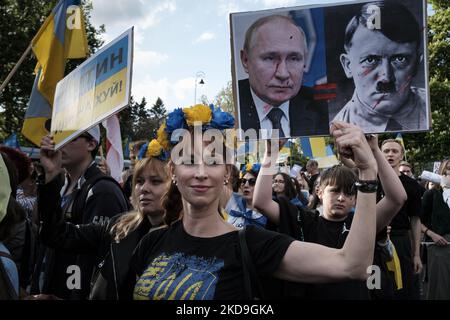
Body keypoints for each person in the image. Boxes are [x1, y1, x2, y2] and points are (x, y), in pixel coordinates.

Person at [128, 104, 378, 300]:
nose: (201, 172)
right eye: (189, 161)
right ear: (172, 170)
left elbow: (353, 265)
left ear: (226, 172)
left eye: (213, 161)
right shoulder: (151, 242)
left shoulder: (251, 244)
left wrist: (367, 172)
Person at [253, 125, 407, 299]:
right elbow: (261, 202)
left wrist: (374, 150)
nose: (341, 198)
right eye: (334, 191)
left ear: (356, 198)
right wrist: (271, 153)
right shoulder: (303, 220)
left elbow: (397, 198)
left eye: (348, 193)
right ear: (319, 192)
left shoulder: (363, 224)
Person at [34, 140, 169, 300]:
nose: (144, 188)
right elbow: (57, 234)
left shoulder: (186, 235)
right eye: (139, 181)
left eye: (156, 181)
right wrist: (50, 177)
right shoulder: (119, 227)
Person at [33, 126, 129, 299]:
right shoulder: (62, 185)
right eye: (57, 136)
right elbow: (48, 235)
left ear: (91, 144)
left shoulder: (103, 191)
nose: (59, 143)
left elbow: (93, 258)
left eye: (69, 137)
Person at [333, 1, 427, 133]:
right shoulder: (337, 129)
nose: (386, 78)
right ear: (348, 66)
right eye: (370, 60)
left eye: (400, 59)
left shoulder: (435, 109)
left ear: (417, 63)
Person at [238, 14, 329, 138]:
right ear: (245, 60)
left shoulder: (324, 109)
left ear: (305, 61)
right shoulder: (227, 111)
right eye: (270, 58)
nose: (283, 74)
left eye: (294, 58)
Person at [380, 138, 423, 299]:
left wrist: (416, 254)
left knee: (403, 288)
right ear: (380, 154)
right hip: (374, 244)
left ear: (401, 155)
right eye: (386, 151)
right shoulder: (370, 181)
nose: (390, 154)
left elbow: (415, 220)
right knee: (376, 284)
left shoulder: (412, 185)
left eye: (394, 151)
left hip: (400, 243)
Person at [421, 159, 450, 299]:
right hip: (439, 246)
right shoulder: (431, 194)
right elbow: (417, 222)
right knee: (440, 289)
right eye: (448, 169)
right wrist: (432, 235)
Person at [225, 163, 267, 229]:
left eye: (252, 181)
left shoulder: (269, 212)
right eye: (243, 181)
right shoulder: (234, 202)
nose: (246, 185)